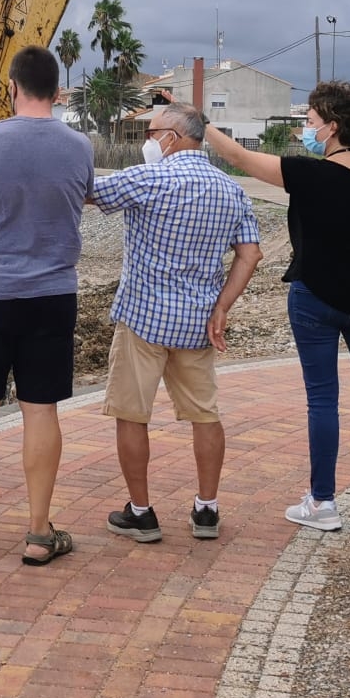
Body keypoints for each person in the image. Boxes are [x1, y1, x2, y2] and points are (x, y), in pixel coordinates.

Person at [199, 81, 350, 531]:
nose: (306, 128)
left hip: (315, 299)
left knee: (323, 399)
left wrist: (201, 123)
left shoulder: (308, 173)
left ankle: (323, 503)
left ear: (332, 127)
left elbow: (239, 158)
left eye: (310, 121)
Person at [0, 45, 95, 565]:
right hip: (51, 294)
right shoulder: (79, 146)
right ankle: (37, 533)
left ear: (11, 87)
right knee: (40, 409)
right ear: (57, 91)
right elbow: (81, 197)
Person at [88, 102, 263, 543]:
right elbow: (250, 254)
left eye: (151, 132)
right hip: (198, 323)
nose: (148, 141)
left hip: (142, 318)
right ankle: (207, 509)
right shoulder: (231, 189)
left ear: (173, 137)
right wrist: (223, 307)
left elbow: (86, 192)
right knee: (205, 414)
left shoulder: (150, 179)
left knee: (131, 414)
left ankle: (141, 513)